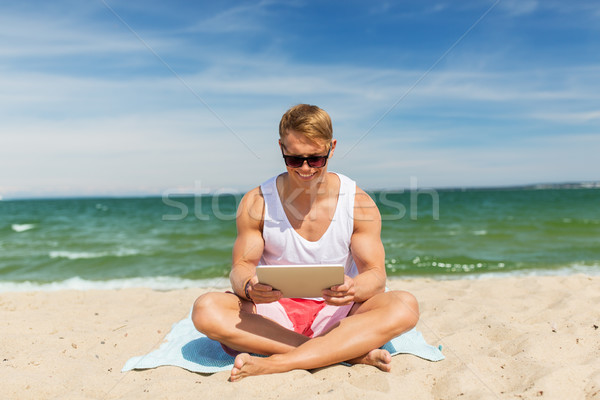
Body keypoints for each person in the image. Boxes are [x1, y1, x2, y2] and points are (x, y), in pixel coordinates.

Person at [192, 104, 419, 381]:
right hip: (272, 315)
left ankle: (278, 363)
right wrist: (250, 287)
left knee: (405, 305)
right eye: (294, 159)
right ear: (281, 148)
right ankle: (344, 353)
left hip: (338, 312)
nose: (305, 168)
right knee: (206, 309)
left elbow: (376, 276)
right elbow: (240, 268)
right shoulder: (257, 202)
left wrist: (354, 287)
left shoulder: (358, 202)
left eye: (316, 159)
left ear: (331, 148)